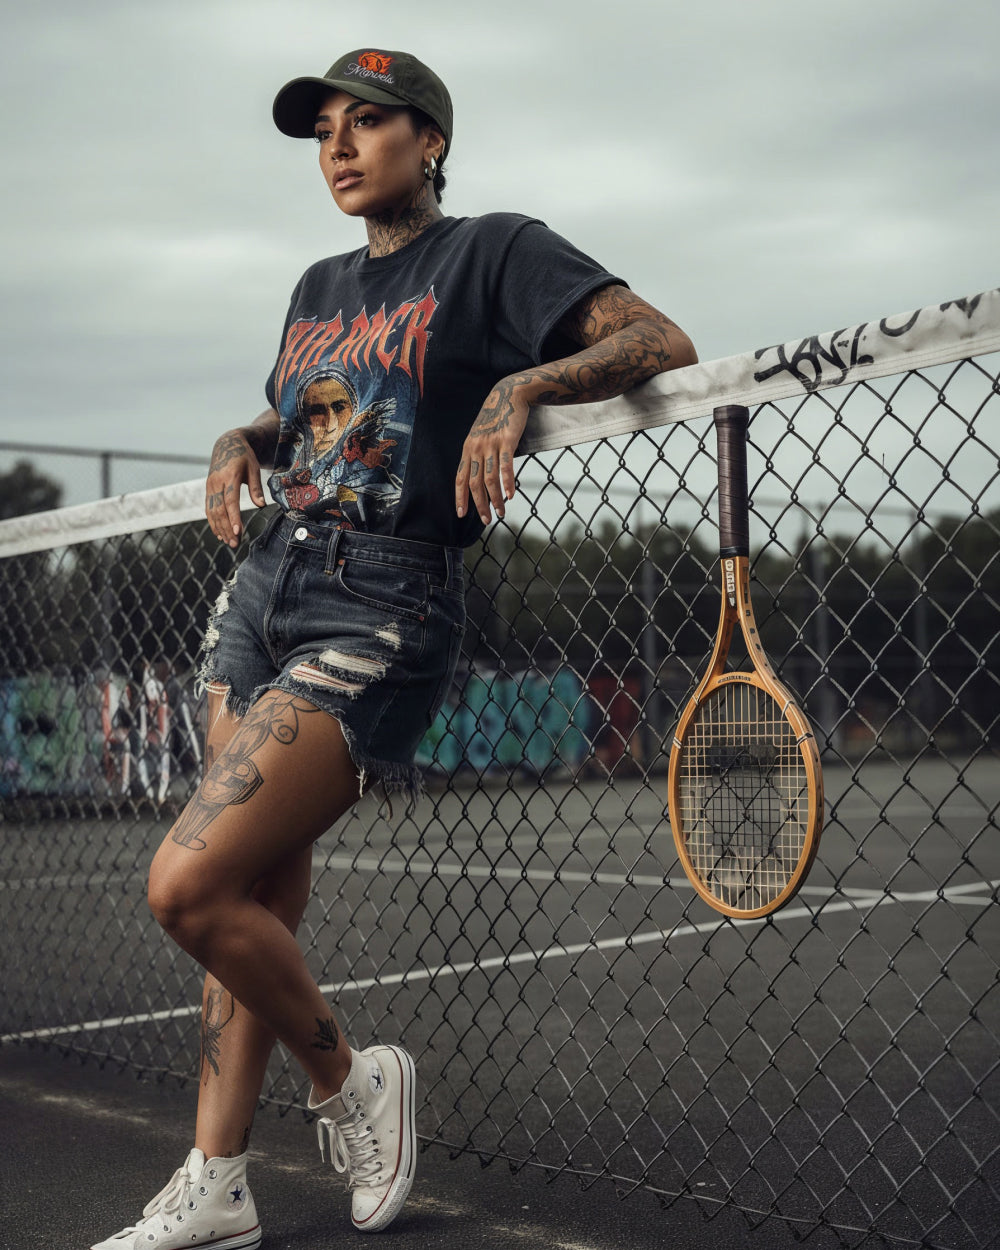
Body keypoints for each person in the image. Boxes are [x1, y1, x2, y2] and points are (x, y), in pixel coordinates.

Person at [91, 47, 697, 1250]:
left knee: (186, 879)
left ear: (429, 139)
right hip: (265, 584)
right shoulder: (317, 283)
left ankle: (349, 1080)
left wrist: (518, 385)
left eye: (368, 122)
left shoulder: (494, 251)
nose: (338, 145)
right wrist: (234, 432)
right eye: (324, 128)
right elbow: (313, 414)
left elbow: (657, 338)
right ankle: (216, 1177)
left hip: (385, 598)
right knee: (251, 883)